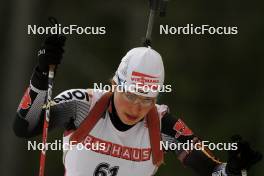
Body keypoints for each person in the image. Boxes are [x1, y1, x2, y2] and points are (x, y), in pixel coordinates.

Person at [13, 35, 262, 176]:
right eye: (130, 95)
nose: (136, 107)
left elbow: (213, 171)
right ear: (115, 84)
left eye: (147, 99)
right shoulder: (83, 105)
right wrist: (41, 76)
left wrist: (234, 170)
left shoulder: (163, 124)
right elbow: (25, 127)